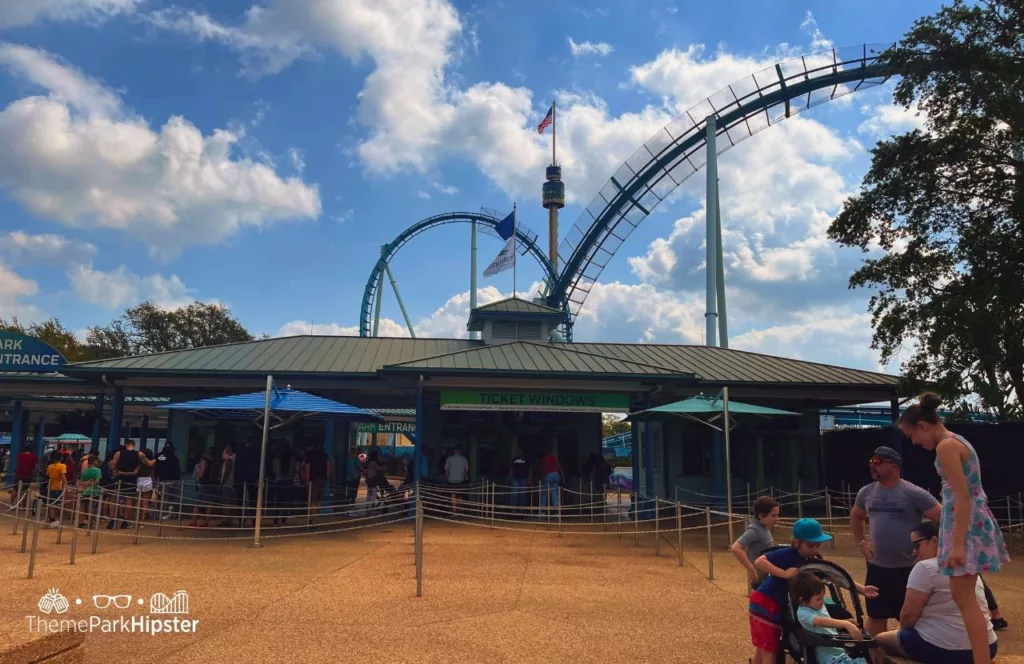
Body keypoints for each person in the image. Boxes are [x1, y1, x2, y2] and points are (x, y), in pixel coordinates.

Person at [899, 393, 1009, 664]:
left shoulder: (946, 446)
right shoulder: (954, 442)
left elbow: (962, 496)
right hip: (965, 522)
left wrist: (957, 543)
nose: (914, 442)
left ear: (922, 426)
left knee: (965, 599)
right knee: (964, 598)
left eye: (911, 435)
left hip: (965, 525)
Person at [748, 518, 878, 664]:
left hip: (776, 605)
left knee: (763, 646)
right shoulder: (787, 554)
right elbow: (759, 562)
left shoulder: (812, 559)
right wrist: (783, 573)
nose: (815, 550)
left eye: (818, 546)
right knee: (769, 649)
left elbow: (833, 576)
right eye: (811, 546)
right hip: (766, 602)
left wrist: (861, 589)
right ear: (797, 543)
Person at [850, 445, 942, 636]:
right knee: (876, 616)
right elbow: (856, 516)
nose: (872, 466)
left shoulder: (913, 492)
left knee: (912, 618)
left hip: (909, 569)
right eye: (871, 462)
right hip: (877, 568)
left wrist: (932, 547)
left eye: (877, 462)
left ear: (893, 465)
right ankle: (877, 657)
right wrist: (862, 542)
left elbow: (943, 518)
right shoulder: (866, 492)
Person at [876, 520, 998, 663]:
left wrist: (903, 632)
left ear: (934, 541)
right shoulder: (966, 565)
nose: (914, 551)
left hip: (945, 649)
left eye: (917, 545)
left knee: (879, 640)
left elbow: (908, 615)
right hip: (988, 647)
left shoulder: (925, 567)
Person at [791, 571, 880, 664]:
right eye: (818, 599)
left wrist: (847, 621)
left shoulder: (818, 606)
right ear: (802, 600)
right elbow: (821, 621)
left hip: (840, 653)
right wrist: (845, 624)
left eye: (822, 597)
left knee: (872, 651)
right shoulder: (803, 613)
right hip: (828, 658)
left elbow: (828, 624)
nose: (822, 601)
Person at [731, 495, 781, 590]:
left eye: (777, 515)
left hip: (767, 572)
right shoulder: (755, 530)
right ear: (761, 516)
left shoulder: (763, 527)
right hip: (760, 575)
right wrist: (752, 571)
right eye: (773, 515)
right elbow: (735, 548)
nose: (777, 518)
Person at [77, 455, 102, 529]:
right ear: (95, 462)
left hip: (84, 491)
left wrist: (86, 483)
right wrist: (91, 482)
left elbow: (81, 482)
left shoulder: (85, 471)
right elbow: (97, 481)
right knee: (92, 507)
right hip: (94, 491)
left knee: (85, 507)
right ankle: (90, 522)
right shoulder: (98, 470)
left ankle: (83, 521)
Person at [44, 451, 68, 527]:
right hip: (58, 487)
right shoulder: (62, 466)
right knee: (57, 504)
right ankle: (53, 519)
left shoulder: (50, 466)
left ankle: (51, 518)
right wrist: (66, 484)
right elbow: (63, 476)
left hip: (50, 486)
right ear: (61, 458)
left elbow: (47, 475)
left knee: (51, 503)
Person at [537, 446, 561, 518]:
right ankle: (556, 513)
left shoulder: (544, 458)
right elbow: (558, 465)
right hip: (556, 474)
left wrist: (542, 478)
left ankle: (542, 512)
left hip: (549, 475)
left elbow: (546, 468)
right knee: (554, 494)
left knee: (544, 493)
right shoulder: (553, 456)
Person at [508, 447, 532, 516]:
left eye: (519, 450)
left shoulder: (527, 459)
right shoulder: (514, 459)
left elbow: (530, 469)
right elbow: (512, 468)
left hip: (524, 478)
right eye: (517, 451)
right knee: (514, 494)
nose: (518, 452)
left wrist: (530, 479)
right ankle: (513, 510)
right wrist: (509, 477)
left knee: (522, 495)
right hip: (515, 478)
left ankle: (521, 510)